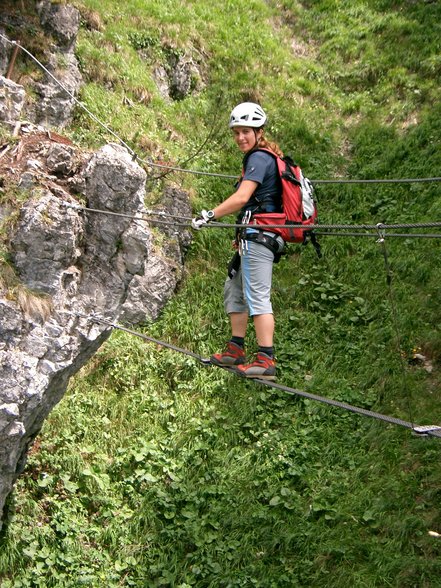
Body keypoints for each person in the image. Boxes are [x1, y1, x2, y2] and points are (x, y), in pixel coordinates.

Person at [192, 102, 285, 381]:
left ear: (259, 132)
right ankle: (236, 349)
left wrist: (210, 214)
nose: (240, 138)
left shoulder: (259, 158)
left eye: (246, 131)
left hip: (260, 237)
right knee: (234, 288)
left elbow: (242, 198)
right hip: (250, 237)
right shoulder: (258, 158)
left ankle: (266, 359)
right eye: (236, 133)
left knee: (257, 296)